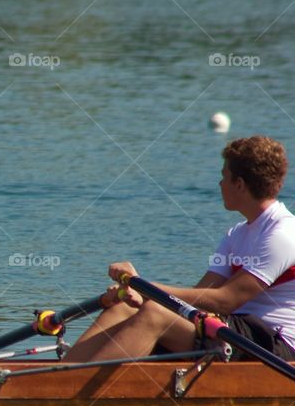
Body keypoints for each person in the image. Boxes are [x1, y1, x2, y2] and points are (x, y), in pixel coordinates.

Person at [64, 136, 295, 362]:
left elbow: (226, 300)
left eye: (224, 176)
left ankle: (72, 393)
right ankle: (54, 382)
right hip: (231, 330)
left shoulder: (283, 234)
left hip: (273, 344)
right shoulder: (235, 234)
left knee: (155, 314)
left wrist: (146, 288)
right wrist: (138, 293)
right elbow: (204, 293)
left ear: (239, 184)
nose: (219, 184)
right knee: (124, 308)